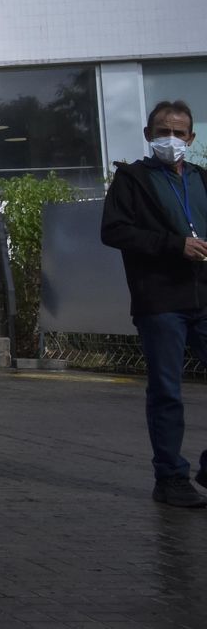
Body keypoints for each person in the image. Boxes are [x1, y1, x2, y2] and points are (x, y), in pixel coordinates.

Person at [99, 99, 207, 509]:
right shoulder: (133, 179)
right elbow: (113, 231)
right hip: (160, 299)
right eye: (163, 131)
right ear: (148, 135)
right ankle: (171, 477)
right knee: (167, 390)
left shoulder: (201, 179)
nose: (171, 139)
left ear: (192, 138)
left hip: (203, 293)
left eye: (179, 133)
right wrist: (174, 245)